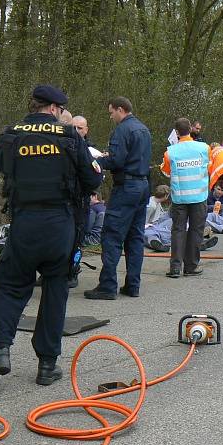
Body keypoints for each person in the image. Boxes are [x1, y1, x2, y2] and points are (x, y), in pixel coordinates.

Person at [0, 85, 102, 386]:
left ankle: (0, 350)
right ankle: (47, 366)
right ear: (56, 109)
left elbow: (0, 164)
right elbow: (93, 178)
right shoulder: (70, 136)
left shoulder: (11, 135)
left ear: (33, 106)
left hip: (24, 222)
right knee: (55, 290)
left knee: (10, 285)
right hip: (60, 223)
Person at [84, 96, 152, 300]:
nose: (111, 116)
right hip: (142, 185)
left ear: (120, 110)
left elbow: (117, 160)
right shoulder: (143, 129)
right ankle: (133, 285)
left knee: (112, 235)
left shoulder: (122, 130)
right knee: (135, 237)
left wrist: (99, 160)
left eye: (111, 112)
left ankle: (107, 285)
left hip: (126, 187)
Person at [160, 118, 210, 278]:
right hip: (199, 196)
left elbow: (166, 171)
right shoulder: (204, 148)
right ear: (191, 129)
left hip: (179, 198)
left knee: (178, 231)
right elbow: (209, 165)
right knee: (196, 231)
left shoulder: (171, 152)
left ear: (176, 132)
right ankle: (191, 266)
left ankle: (175, 267)